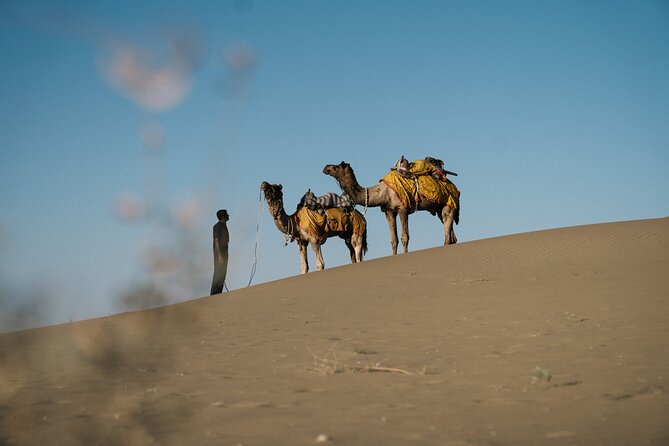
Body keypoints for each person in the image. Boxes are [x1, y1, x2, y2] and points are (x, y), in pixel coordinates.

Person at [210, 209, 230, 295]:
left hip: (225, 252)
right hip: (220, 254)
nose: (228, 215)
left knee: (223, 273)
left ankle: (219, 293)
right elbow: (216, 240)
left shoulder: (224, 225)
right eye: (226, 214)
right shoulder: (217, 226)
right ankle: (214, 294)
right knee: (218, 273)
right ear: (222, 216)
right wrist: (220, 256)